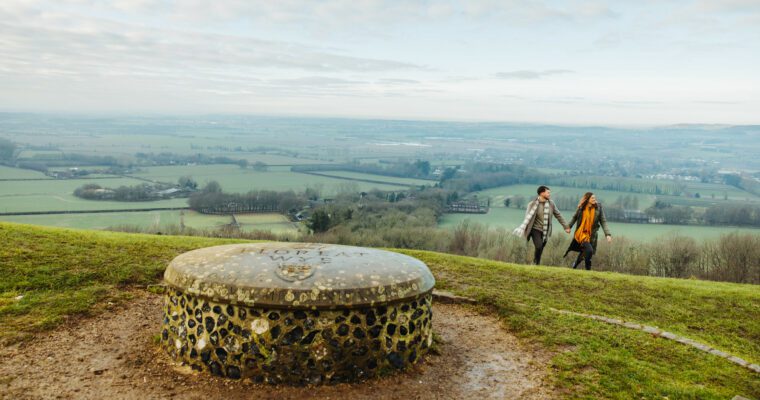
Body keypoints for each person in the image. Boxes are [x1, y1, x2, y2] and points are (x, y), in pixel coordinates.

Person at [513, 186, 571, 265]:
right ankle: (536, 263)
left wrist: (566, 227)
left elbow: (558, 215)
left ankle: (535, 263)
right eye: (548, 193)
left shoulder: (551, 204)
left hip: (545, 231)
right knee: (539, 246)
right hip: (535, 229)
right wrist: (524, 229)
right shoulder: (532, 204)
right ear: (542, 193)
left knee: (541, 248)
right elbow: (527, 218)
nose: (549, 194)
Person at [564, 192, 612, 270]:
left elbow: (603, 221)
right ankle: (588, 269)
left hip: (592, 235)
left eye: (595, 198)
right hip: (581, 233)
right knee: (589, 250)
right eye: (592, 198)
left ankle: (575, 265)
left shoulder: (598, 208)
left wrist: (608, 234)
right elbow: (574, 218)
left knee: (586, 252)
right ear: (587, 199)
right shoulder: (581, 208)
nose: (594, 199)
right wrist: (568, 227)